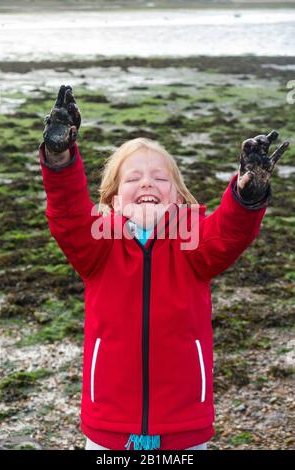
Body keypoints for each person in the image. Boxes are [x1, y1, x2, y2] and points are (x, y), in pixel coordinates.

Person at [39, 85, 289, 451]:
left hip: (182, 422)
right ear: (111, 198)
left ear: (177, 194)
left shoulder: (193, 239)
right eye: (133, 178)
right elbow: (68, 212)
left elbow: (228, 233)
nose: (147, 183)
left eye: (160, 178)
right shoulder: (97, 244)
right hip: (110, 422)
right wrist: (59, 159)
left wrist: (247, 195)